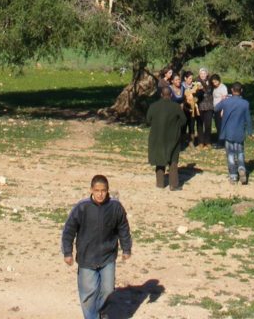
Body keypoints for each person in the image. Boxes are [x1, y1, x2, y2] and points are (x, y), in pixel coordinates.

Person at [61, 174, 132, 319]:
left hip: (107, 257)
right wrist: (67, 252)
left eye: (103, 190)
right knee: (88, 295)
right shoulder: (82, 208)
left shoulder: (115, 207)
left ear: (108, 191)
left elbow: (123, 228)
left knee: (108, 290)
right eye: (97, 190)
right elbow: (69, 230)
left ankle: (100, 311)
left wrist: (126, 248)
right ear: (91, 190)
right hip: (86, 258)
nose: (100, 194)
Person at [145, 85, 186, 191]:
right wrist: (176, 126)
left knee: (159, 160)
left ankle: (160, 183)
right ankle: (174, 184)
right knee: (173, 160)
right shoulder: (176, 106)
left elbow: (148, 120)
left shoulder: (153, 106)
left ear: (161, 95)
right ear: (171, 94)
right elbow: (183, 120)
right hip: (173, 137)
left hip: (157, 137)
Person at [218, 81, 254, 184]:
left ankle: (233, 176)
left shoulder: (226, 102)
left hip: (228, 132)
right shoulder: (245, 103)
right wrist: (250, 132)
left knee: (230, 154)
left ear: (232, 90)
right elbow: (248, 119)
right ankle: (242, 168)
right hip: (239, 133)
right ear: (241, 91)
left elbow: (216, 108)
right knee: (240, 153)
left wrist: (223, 100)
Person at [194, 67, 214, 148]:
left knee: (208, 124)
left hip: (209, 106)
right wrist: (199, 90)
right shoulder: (196, 82)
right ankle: (200, 142)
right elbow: (195, 94)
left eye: (204, 73)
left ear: (207, 74)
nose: (203, 75)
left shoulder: (210, 82)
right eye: (201, 74)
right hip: (200, 106)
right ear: (199, 74)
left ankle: (208, 141)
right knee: (199, 125)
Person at [210, 74, 228, 147]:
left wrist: (223, 110)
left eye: (215, 82)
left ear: (219, 80)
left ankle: (221, 142)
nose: (214, 83)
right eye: (213, 82)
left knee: (220, 126)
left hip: (221, 109)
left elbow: (224, 99)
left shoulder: (222, 87)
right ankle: (219, 140)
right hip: (216, 109)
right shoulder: (215, 88)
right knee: (218, 125)